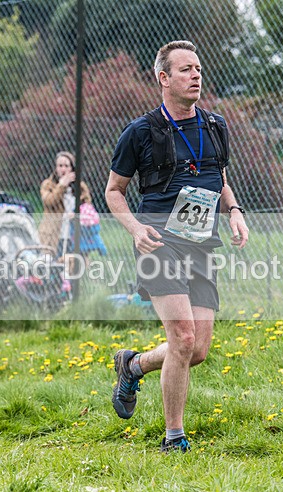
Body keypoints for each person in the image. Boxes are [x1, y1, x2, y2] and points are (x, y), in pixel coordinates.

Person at [104, 40, 249, 453]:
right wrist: (134, 228)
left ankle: (132, 365)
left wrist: (234, 210)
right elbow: (114, 191)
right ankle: (174, 437)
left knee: (197, 349)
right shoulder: (140, 132)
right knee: (182, 337)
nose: (196, 75)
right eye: (186, 69)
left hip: (201, 243)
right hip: (158, 243)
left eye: (198, 68)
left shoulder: (216, 125)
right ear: (163, 78)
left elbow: (218, 177)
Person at [39, 151, 92, 259]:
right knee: (52, 267)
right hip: (53, 234)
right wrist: (62, 185)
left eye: (66, 166)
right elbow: (49, 201)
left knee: (72, 266)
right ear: (56, 168)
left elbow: (87, 207)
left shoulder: (80, 187)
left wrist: (77, 214)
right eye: (60, 166)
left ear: (72, 168)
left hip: (73, 233)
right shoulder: (48, 185)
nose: (63, 169)